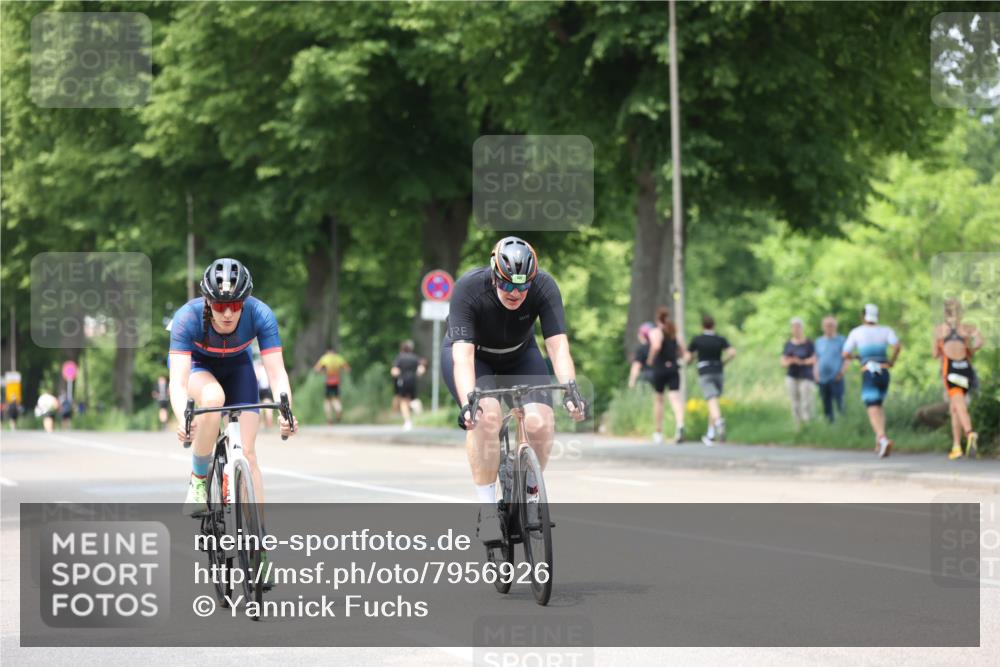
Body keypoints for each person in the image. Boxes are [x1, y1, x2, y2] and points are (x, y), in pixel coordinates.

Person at [441, 236, 586, 544]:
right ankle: (489, 509)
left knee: (542, 422)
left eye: (523, 287)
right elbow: (463, 357)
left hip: (520, 354)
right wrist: (470, 402)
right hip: (475, 357)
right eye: (508, 285)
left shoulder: (545, 287)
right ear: (495, 276)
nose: (516, 293)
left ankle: (531, 493)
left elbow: (558, 347)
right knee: (487, 416)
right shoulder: (469, 288)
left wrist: (570, 390)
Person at [167, 258, 297, 524]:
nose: (228, 314)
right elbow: (178, 383)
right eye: (220, 305)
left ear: (245, 302)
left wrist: (287, 413)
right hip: (198, 366)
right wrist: (184, 419)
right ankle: (199, 479)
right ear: (207, 302)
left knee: (248, 455)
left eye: (235, 305)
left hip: (238, 366)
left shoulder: (260, 314)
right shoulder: (186, 318)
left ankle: (257, 545)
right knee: (214, 397)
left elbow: (276, 373)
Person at [841, 303, 901, 458]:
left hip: (869, 371)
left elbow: (845, 353)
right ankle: (879, 440)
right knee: (879, 406)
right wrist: (891, 361)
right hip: (884, 371)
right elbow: (897, 346)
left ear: (862, 316)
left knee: (872, 407)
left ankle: (882, 438)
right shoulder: (886, 330)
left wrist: (857, 357)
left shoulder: (857, 332)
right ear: (877, 317)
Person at [934, 299, 984, 460]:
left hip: (951, 371)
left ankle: (969, 433)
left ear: (945, 313)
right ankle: (956, 446)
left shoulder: (940, 330)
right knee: (955, 408)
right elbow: (980, 341)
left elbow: (935, 354)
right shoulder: (967, 328)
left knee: (959, 405)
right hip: (966, 370)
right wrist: (969, 349)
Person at [685, 314, 736, 446]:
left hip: (705, 371)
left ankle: (719, 422)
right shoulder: (720, 339)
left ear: (702, 326)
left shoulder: (697, 340)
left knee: (711, 400)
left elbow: (688, 358)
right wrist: (723, 362)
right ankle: (711, 434)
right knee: (713, 402)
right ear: (714, 325)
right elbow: (732, 353)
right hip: (718, 371)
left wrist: (690, 360)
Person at [646, 308, 687, 444]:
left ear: (657, 319)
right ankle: (680, 424)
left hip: (660, 368)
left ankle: (658, 432)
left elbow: (656, 346)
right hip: (674, 368)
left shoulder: (656, 332)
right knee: (675, 398)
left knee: (659, 399)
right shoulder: (675, 333)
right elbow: (682, 352)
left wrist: (650, 359)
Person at [781, 317, 817, 427]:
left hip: (806, 376)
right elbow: (782, 361)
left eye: (798, 327)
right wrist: (790, 361)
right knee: (794, 402)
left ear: (802, 328)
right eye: (794, 327)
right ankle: (798, 426)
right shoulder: (788, 344)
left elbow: (814, 359)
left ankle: (808, 424)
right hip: (792, 376)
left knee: (806, 402)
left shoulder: (809, 343)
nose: (796, 329)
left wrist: (801, 361)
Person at [814, 315, 847, 422]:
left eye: (831, 325)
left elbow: (847, 359)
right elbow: (816, 359)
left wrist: (841, 372)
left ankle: (843, 423)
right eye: (827, 325)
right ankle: (829, 424)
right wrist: (816, 374)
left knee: (839, 402)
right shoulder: (819, 341)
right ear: (823, 327)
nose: (829, 327)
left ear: (835, 326)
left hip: (836, 377)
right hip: (822, 378)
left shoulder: (841, 340)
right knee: (826, 403)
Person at [391, 340, 426, 431]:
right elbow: (421, 370)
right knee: (411, 398)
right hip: (413, 381)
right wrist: (417, 375)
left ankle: (408, 422)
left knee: (403, 402)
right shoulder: (415, 357)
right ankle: (414, 404)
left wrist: (396, 376)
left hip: (403, 381)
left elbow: (394, 371)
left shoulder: (400, 357)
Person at [313, 347, 350, 424]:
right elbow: (347, 369)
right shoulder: (338, 358)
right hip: (337, 382)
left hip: (328, 382)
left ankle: (329, 418)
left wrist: (322, 372)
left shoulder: (325, 358)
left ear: (327, 351)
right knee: (336, 398)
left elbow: (316, 369)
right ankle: (338, 409)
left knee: (327, 401)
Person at [627, 322, 655, 389]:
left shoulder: (641, 349)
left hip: (648, 379)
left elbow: (636, 366)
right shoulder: (660, 347)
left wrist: (632, 381)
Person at [253, 345, 274, 430]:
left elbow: (256, 378)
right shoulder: (268, 365)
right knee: (268, 408)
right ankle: (269, 426)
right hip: (266, 389)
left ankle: (262, 426)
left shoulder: (256, 366)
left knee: (260, 408)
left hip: (259, 389)